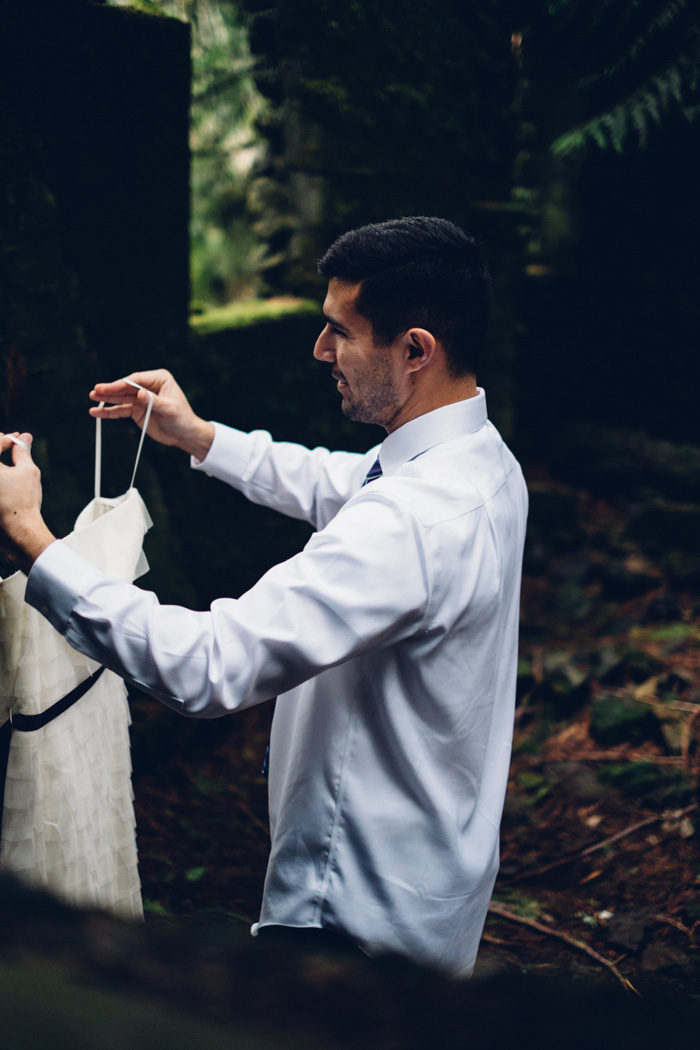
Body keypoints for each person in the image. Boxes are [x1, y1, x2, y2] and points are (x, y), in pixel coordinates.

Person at [0, 216, 528, 976]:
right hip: (429, 893)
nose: (320, 351)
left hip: (350, 927)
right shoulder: (477, 460)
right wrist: (198, 436)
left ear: (416, 350)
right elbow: (334, 482)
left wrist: (29, 537)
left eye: (339, 331)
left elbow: (208, 666)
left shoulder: (411, 522)